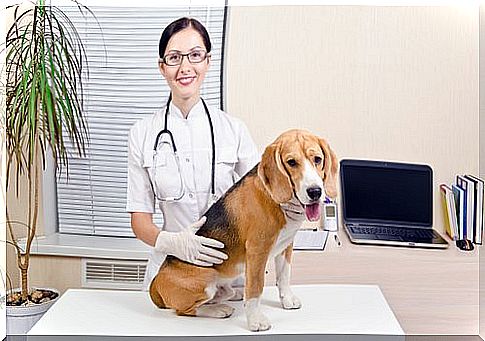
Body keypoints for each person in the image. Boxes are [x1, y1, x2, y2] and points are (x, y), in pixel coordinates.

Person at [126, 17, 259, 290]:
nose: (185, 67)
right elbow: (140, 220)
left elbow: (260, 201)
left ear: (207, 61)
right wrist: (172, 242)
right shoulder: (142, 133)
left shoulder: (234, 130)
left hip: (230, 276)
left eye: (195, 55)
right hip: (172, 274)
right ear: (162, 67)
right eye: (174, 58)